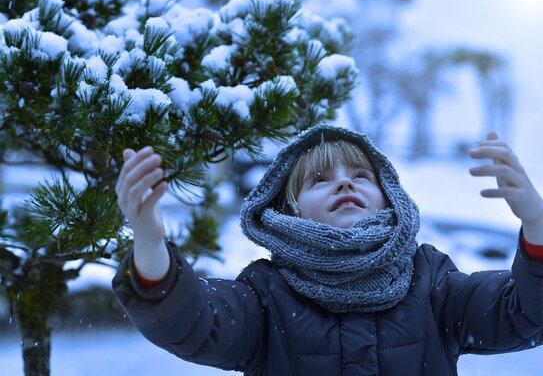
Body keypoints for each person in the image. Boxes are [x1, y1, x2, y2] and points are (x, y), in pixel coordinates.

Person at [112, 124, 543, 375]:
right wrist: (150, 242)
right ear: (291, 210)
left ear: (388, 195)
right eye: (320, 179)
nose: (344, 182)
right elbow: (191, 323)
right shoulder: (264, 294)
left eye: (361, 175)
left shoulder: (431, 280)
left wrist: (537, 224)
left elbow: (525, 313)